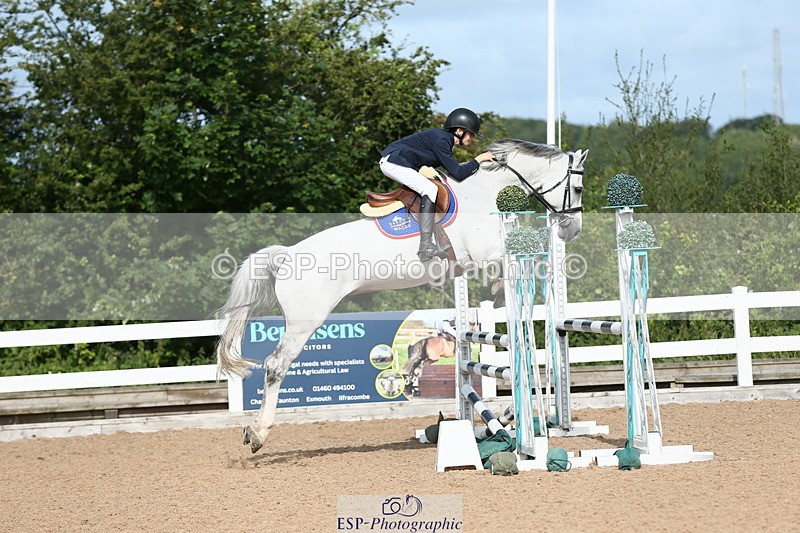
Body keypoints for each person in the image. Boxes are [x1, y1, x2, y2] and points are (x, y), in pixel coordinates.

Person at [379, 108, 495, 262]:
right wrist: (479, 159)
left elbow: (454, 172)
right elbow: (459, 174)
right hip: (393, 163)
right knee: (429, 189)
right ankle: (425, 245)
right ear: (460, 131)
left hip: (399, 163)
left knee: (431, 186)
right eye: (471, 133)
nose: (472, 138)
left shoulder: (445, 140)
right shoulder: (442, 140)